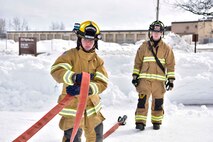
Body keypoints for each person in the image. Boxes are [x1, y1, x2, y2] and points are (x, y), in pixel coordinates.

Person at [50, 21, 108, 142]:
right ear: (79, 39)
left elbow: (102, 83)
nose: (88, 43)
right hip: (73, 107)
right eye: (85, 40)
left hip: (92, 109)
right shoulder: (70, 55)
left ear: (95, 42)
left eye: (91, 41)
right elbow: (56, 70)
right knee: (72, 138)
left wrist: (87, 88)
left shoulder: (98, 61)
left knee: (97, 137)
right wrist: (74, 78)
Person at [132, 20, 175, 131]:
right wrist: (135, 77)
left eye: (158, 32)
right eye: (153, 31)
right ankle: (140, 122)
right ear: (150, 32)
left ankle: (157, 121)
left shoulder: (166, 48)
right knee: (142, 102)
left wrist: (170, 80)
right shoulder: (143, 47)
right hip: (144, 81)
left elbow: (170, 65)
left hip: (159, 83)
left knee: (158, 103)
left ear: (162, 33)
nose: (155, 34)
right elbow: (138, 63)